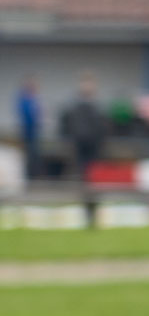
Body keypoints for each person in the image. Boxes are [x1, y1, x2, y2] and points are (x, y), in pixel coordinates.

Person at [58, 73, 108, 228]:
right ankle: (86, 215)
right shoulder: (76, 108)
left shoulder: (96, 108)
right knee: (84, 183)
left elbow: (102, 130)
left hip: (94, 152)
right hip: (81, 151)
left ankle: (93, 214)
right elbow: (69, 128)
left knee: (95, 184)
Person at [15, 77, 40, 180]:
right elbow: (27, 116)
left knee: (34, 155)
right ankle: (27, 177)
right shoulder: (24, 100)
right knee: (27, 156)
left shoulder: (34, 99)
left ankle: (33, 176)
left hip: (34, 132)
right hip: (27, 132)